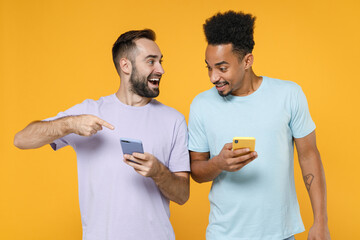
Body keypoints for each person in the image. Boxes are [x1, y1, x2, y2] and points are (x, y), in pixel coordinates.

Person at [14, 29, 190, 240]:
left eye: (161, 61)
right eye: (151, 61)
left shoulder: (174, 120)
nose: (161, 69)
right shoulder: (90, 110)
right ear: (126, 65)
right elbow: (21, 140)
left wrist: (159, 172)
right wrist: (69, 124)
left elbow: (183, 195)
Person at [188, 11, 330, 240]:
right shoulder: (201, 105)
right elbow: (196, 169)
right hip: (224, 234)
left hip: (280, 234)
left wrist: (320, 222)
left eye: (222, 68)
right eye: (209, 67)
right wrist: (219, 163)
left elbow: (309, 155)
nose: (213, 77)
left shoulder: (288, 94)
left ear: (247, 60)